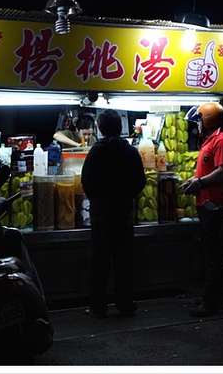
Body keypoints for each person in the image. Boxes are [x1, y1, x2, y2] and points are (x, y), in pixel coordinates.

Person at [81, 109, 146, 318]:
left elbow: (86, 181)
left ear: (100, 129)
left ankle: (98, 306)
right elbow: (140, 181)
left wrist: (97, 199)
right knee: (124, 261)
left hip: (101, 213)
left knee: (99, 261)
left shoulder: (96, 151)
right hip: (123, 212)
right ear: (120, 127)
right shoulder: (130, 151)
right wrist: (126, 197)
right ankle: (126, 304)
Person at [181, 102, 223, 317]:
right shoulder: (210, 141)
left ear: (207, 121)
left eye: (199, 121)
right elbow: (209, 170)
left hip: (217, 206)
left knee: (213, 255)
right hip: (207, 204)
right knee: (211, 254)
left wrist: (200, 182)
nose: (197, 125)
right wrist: (194, 179)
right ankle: (217, 296)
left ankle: (210, 303)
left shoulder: (222, 142)